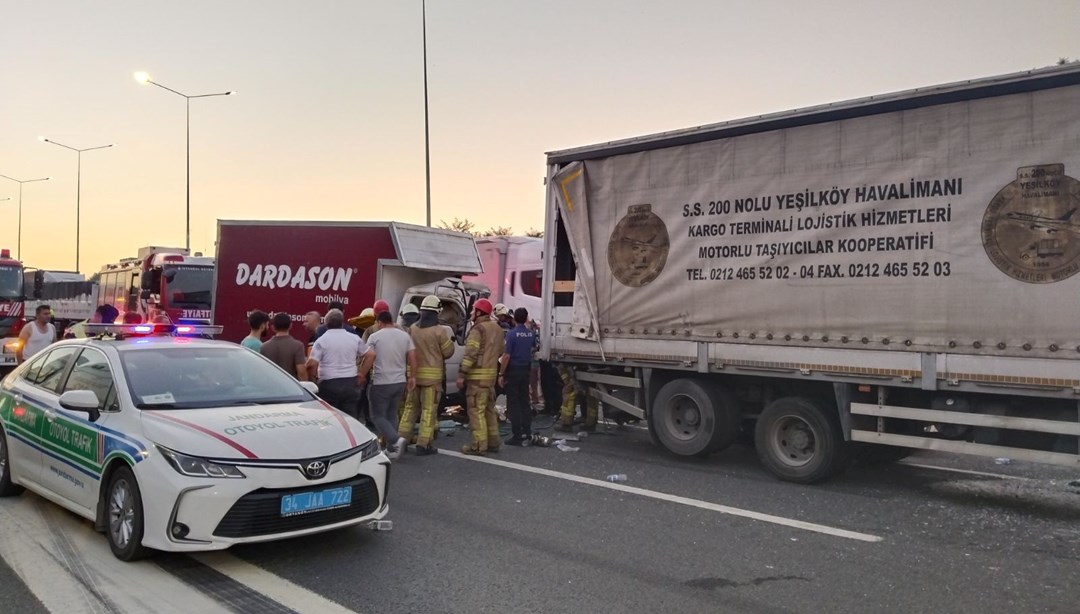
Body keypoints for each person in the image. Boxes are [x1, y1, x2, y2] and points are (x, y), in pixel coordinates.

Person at [397, 295, 454, 456]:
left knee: (409, 409)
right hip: (432, 381)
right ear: (437, 313)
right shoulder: (439, 331)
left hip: (414, 377)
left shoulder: (413, 329)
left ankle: (402, 440)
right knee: (428, 411)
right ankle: (424, 444)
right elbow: (448, 352)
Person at [361, 310, 416, 459]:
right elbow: (412, 356)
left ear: (379, 322)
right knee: (392, 414)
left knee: (377, 415)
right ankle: (392, 450)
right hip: (399, 382)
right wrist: (412, 377)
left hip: (381, 382)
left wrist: (361, 374)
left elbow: (369, 357)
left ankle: (396, 440)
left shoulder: (374, 336)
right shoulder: (405, 336)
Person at [455, 298, 505, 456]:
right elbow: (501, 351)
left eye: (473, 310)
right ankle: (493, 442)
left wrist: (462, 373)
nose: (471, 313)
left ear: (479, 312)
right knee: (489, 411)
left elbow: (471, 353)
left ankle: (478, 446)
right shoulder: (497, 329)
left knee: (476, 412)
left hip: (477, 380)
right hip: (490, 379)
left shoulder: (478, 329)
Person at [307, 309, 372, 417]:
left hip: (329, 384)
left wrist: (313, 379)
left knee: (330, 417)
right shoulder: (354, 338)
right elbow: (371, 355)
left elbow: (311, 364)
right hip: (351, 382)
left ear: (326, 323)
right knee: (350, 418)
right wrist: (361, 373)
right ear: (342, 322)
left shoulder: (321, 340)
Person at [499, 307, 536, 446]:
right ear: (526, 318)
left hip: (513, 370)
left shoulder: (511, 334)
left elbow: (507, 355)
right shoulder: (531, 334)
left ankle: (517, 435)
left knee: (513, 402)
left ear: (514, 318)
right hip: (525, 369)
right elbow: (533, 348)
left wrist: (501, 373)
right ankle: (527, 431)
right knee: (525, 401)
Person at [260, 312, 309, 380]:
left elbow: (262, 371)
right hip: (291, 387)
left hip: (270, 386)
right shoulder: (297, 346)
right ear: (290, 326)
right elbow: (301, 372)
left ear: (272, 327)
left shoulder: (264, 347)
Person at [555, 364, 599, 433]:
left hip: (571, 364)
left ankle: (566, 423)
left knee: (569, 391)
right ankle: (591, 422)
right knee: (591, 392)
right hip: (590, 365)